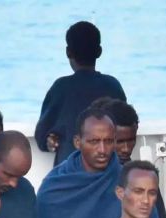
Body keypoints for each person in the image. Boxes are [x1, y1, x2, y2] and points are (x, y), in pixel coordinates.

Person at [35, 21, 127, 166]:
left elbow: (41, 137)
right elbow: (125, 128)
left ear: (68, 52)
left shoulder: (61, 88)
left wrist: (50, 140)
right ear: (99, 51)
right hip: (108, 171)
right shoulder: (113, 86)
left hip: (69, 175)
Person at [90, 97, 166, 218]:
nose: (126, 149)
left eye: (131, 140)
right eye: (120, 142)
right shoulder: (83, 176)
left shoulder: (142, 175)